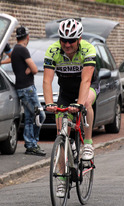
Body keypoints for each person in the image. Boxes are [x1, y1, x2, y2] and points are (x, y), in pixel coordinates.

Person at [43, 18, 99, 197]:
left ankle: (88, 144)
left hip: (87, 86)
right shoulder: (53, 51)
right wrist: (49, 103)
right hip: (66, 92)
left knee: (87, 103)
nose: (67, 44)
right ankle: (61, 179)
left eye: (71, 40)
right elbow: (47, 80)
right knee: (61, 136)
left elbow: (86, 80)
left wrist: (80, 104)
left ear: (79, 39)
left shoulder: (88, 49)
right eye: (63, 40)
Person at [11, 26, 46, 156]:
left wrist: (29, 68)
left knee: (30, 117)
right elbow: (35, 69)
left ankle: (29, 144)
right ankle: (32, 144)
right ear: (28, 37)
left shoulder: (15, 49)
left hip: (21, 88)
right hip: (27, 89)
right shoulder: (23, 50)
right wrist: (31, 68)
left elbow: (15, 61)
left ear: (16, 37)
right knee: (40, 116)